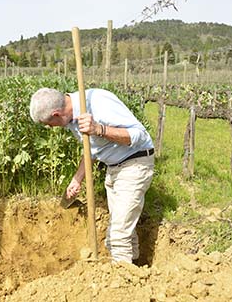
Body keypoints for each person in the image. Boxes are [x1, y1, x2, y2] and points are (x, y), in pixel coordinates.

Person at [29, 87, 154, 263]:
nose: (50, 127)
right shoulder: (72, 119)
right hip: (114, 168)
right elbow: (93, 150)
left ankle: (121, 284)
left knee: (118, 235)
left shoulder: (98, 103)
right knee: (123, 230)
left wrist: (99, 129)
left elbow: (139, 135)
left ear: (57, 114)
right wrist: (77, 179)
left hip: (134, 164)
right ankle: (134, 273)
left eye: (48, 123)